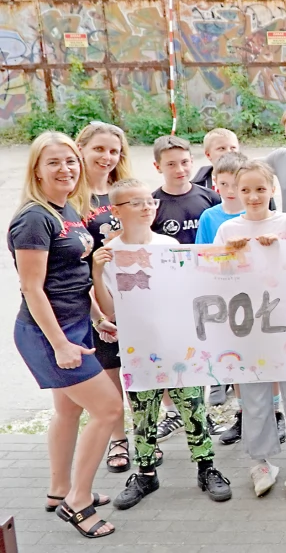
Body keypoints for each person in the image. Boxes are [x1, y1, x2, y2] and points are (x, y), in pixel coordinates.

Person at [91, 178, 232, 509]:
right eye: (136, 203)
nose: (146, 208)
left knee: (193, 407)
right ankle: (145, 472)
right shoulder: (110, 254)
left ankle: (206, 466)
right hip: (138, 348)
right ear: (116, 211)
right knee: (143, 412)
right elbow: (109, 309)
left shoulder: (168, 245)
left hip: (178, 343)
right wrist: (97, 273)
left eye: (149, 201)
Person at [9, 132, 121, 538]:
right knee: (109, 410)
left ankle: (59, 490)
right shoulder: (34, 219)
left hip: (75, 324)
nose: (66, 169)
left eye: (71, 161)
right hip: (48, 334)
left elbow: (72, 276)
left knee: (70, 410)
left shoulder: (66, 208)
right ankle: (78, 502)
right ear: (37, 170)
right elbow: (32, 288)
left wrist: (96, 317)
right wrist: (59, 344)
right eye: (54, 162)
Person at [214, 160, 286, 496]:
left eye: (260, 189)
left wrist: (281, 248)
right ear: (235, 191)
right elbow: (213, 276)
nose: (253, 196)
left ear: (272, 189)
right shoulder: (228, 230)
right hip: (247, 326)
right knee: (254, 397)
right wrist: (228, 256)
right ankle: (260, 462)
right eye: (246, 190)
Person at [150, 135, 221, 441]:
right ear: (157, 167)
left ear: (193, 162)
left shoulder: (210, 199)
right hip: (168, 292)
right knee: (170, 351)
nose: (179, 169)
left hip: (205, 290)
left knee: (200, 351)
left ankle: (200, 412)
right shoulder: (152, 203)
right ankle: (173, 412)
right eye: (171, 164)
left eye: (184, 162)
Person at [75, 122, 134, 474]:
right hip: (96, 303)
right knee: (109, 370)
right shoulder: (72, 200)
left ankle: (147, 435)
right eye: (98, 149)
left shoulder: (123, 192)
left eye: (114, 151)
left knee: (138, 370)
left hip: (132, 295)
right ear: (81, 149)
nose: (107, 157)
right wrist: (97, 313)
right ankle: (118, 438)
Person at [195, 152, 255, 431]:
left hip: (256, 296)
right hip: (225, 296)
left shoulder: (255, 212)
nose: (230, 191)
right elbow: (203, 255)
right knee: (236, 357)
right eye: (224, 184)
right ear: (215, 184)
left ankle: (272, 414)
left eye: (236, 184)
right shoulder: (209, 217)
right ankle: (243, 415)